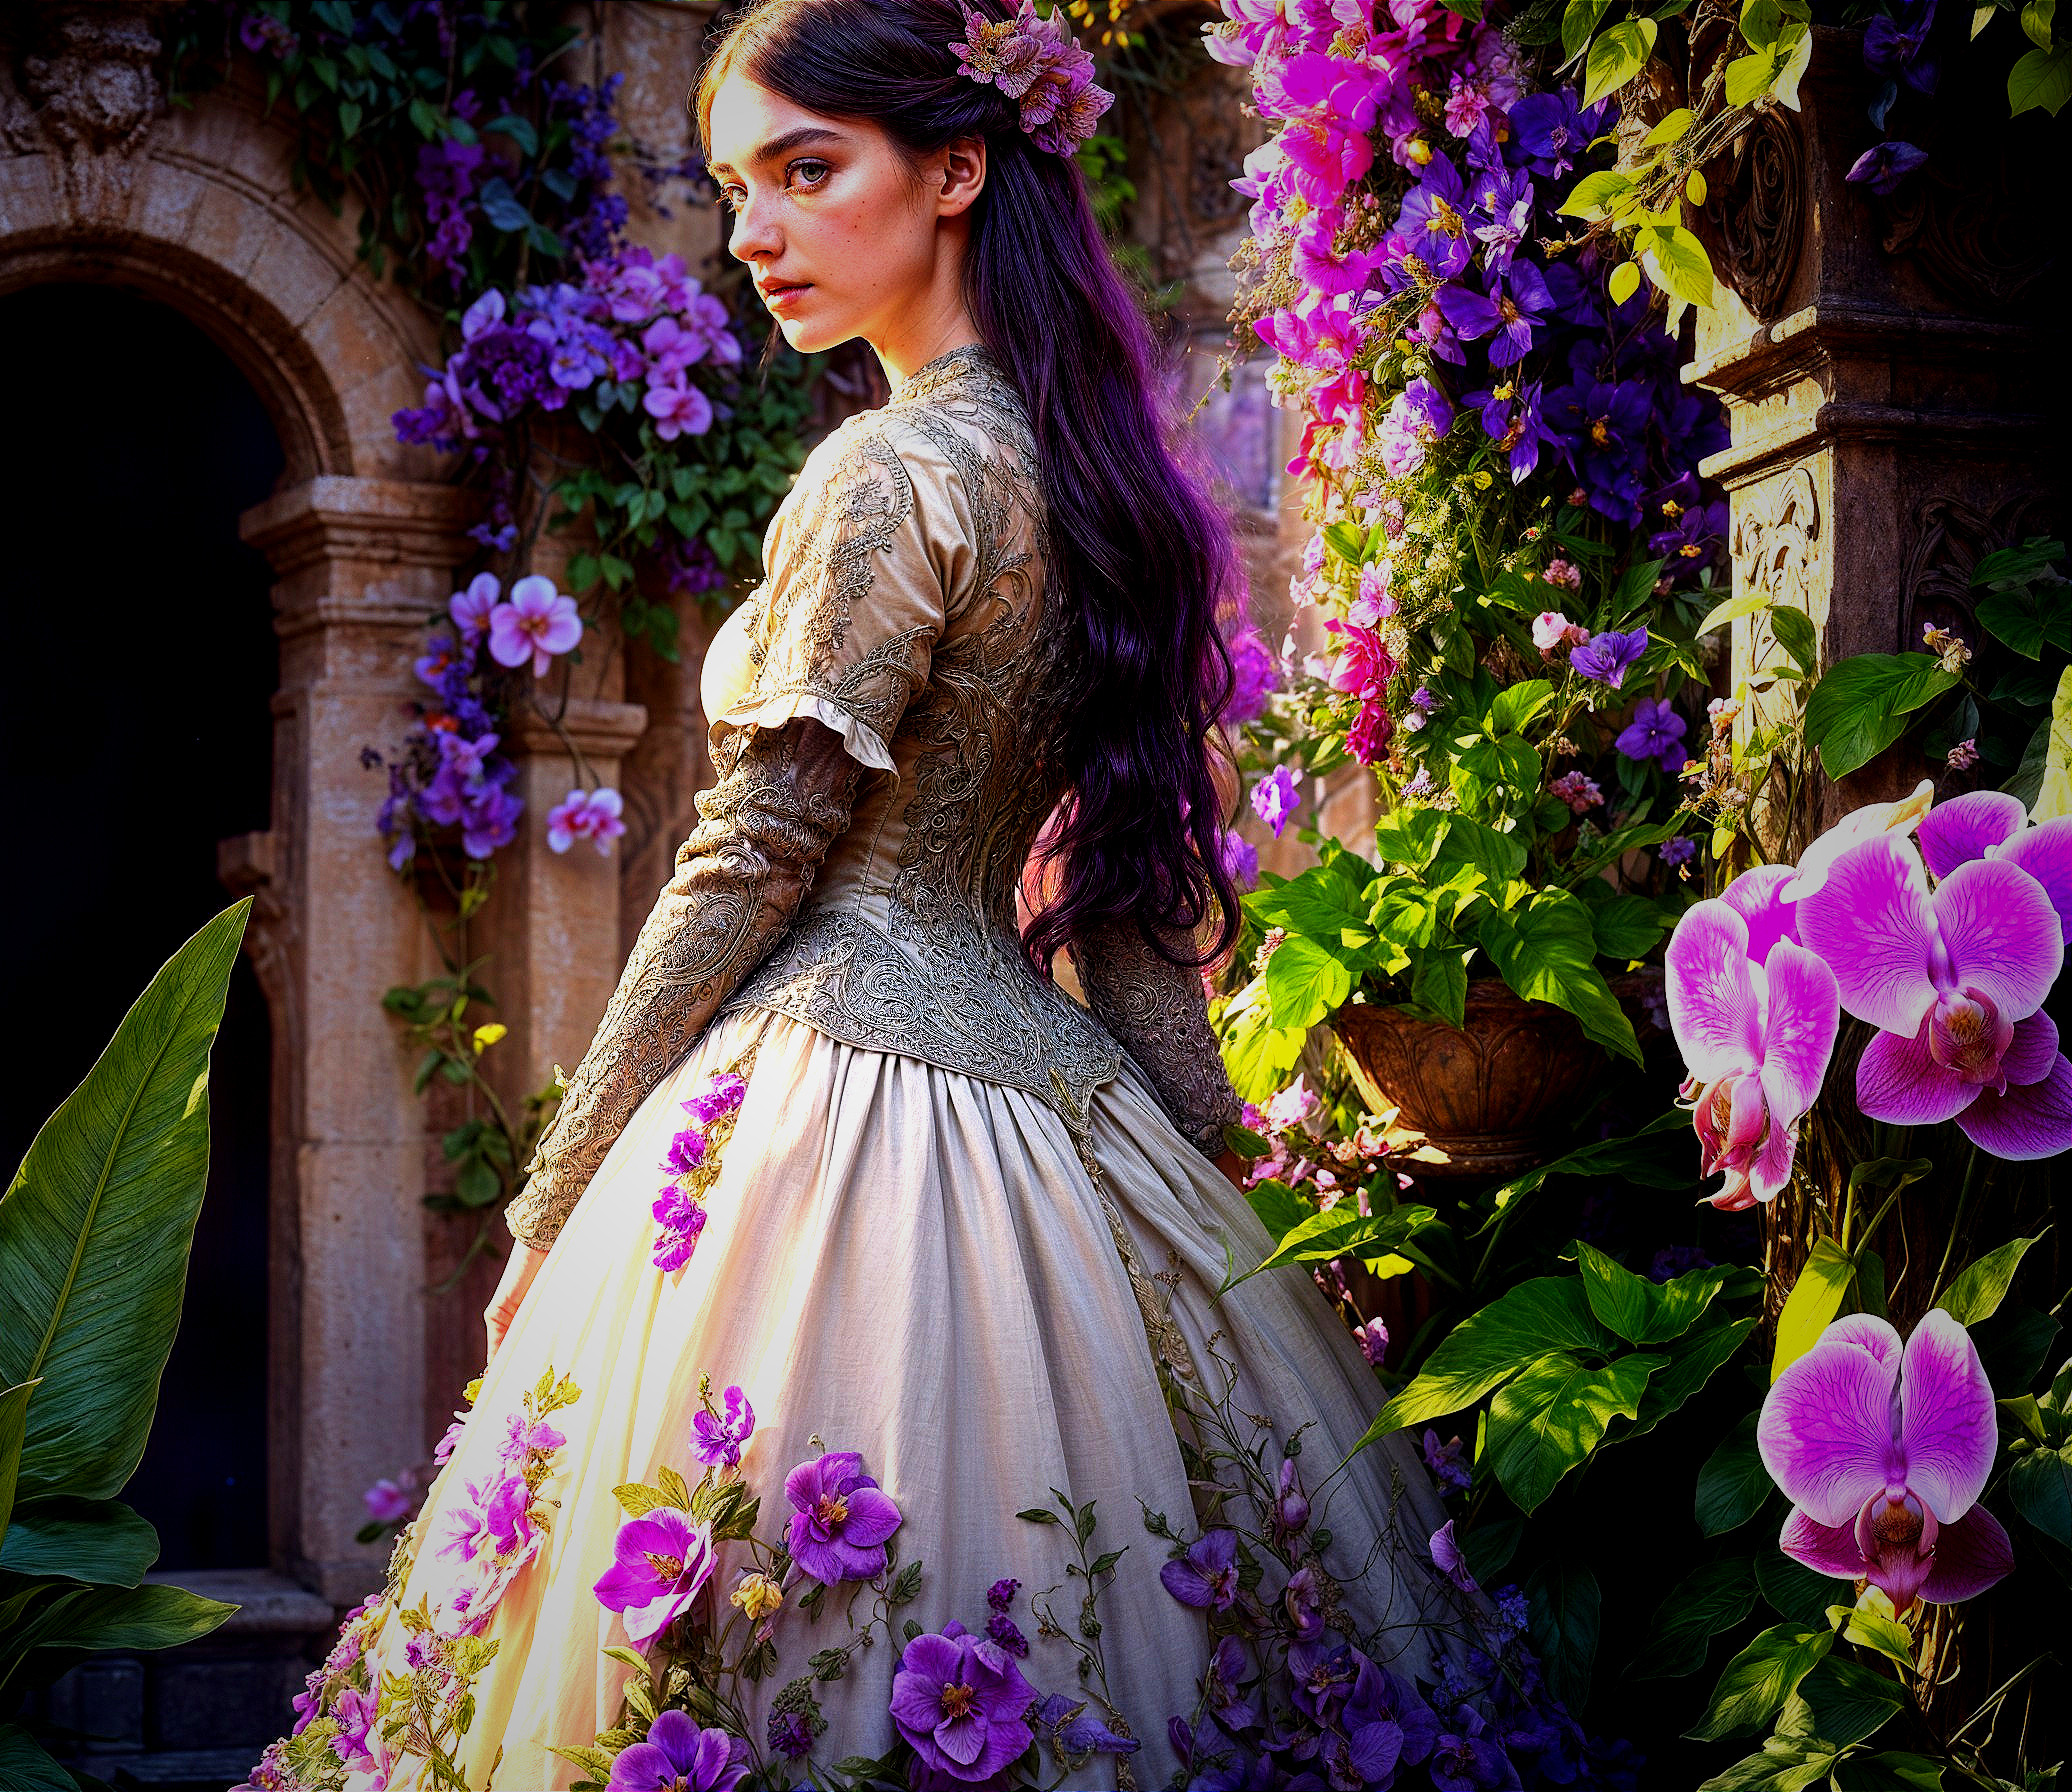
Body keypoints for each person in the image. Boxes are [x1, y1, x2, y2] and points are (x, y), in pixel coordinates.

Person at [245, 5, 1468, 1788]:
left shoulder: (888, 475)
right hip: (1054, 1115)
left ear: (956, 171)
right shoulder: (1098, 482)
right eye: (736, 186)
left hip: (830, 1107)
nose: (755, 232)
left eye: (808, 171)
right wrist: (1213, 1174)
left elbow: (756, 851)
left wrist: (557, 1191)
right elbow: (1124, 908)